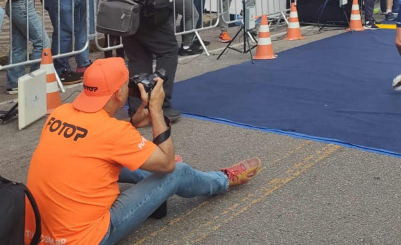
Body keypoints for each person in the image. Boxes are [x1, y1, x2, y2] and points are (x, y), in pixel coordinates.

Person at [24, 57, 260, 245]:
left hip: (33, 234)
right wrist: (156, 110)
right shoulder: (113, 132)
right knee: (175, 171)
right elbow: (167, 164)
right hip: (85, 239)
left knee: (98, 159)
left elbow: (98, 141)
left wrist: (132, 123)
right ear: (119, 93)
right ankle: (222, 180)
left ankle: (157, 182)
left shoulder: (61, 112)